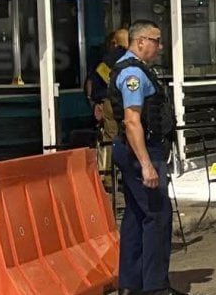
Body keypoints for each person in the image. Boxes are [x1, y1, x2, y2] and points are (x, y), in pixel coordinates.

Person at [108, 20, 184, 295]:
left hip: (135, 149)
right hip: (141, 150)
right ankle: (155, 286)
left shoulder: (135, 69)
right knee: (157, 216)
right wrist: (146, 164)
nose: (160, 46)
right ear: (140, 41)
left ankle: (130, 284)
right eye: (156, 40)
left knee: (136, 216)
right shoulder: (133, 74)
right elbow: (132, 121)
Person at [87, 28, 129, 182]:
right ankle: (122, 175)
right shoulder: (130, 58)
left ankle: (107, 175)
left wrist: (95, 101)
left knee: (109, 139)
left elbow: (94, 81)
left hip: (109, 102)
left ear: (114, 43)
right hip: (125, 102)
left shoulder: (107, 59)